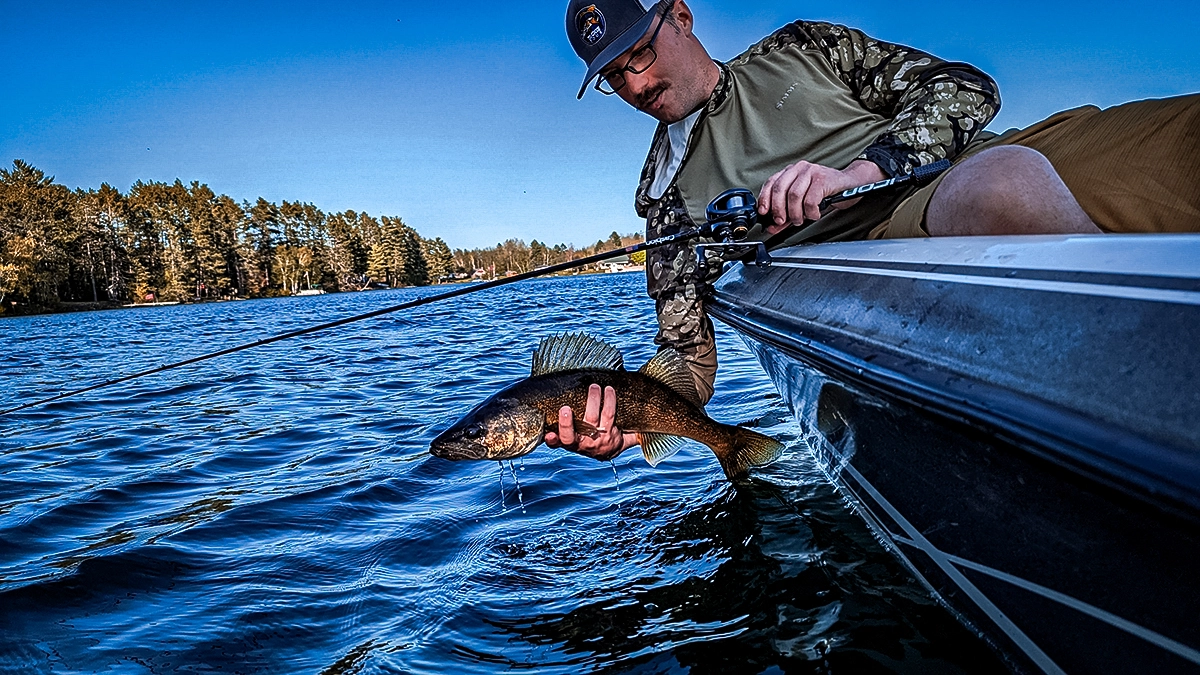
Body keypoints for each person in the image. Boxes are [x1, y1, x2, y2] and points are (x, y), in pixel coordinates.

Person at [547, 0, 1200, 460]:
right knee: (1002, 188)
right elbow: (688, 361)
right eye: (613, 76)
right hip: (918, 228)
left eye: (640, 52)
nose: (635, 82)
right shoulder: (663, 201)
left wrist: (862, 167)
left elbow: (964, 87)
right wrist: (629, 422)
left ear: (680, 16)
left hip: (1015, 147)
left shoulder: (802, 47)